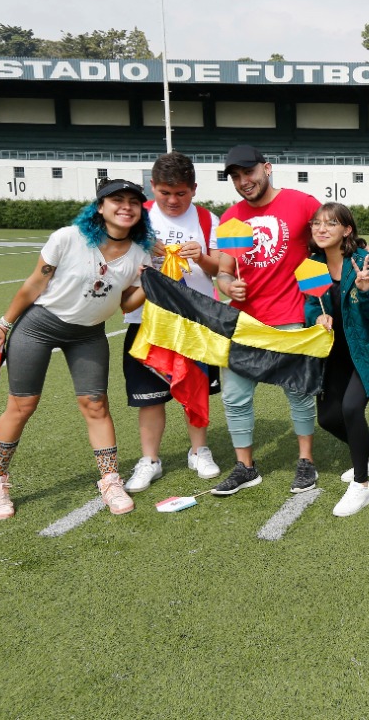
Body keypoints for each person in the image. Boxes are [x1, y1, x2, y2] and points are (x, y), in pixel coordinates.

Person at [212, 145, 369, 495]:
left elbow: (338, 230)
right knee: (234, 396)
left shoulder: (301, 203)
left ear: (267, 167)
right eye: (235, 176)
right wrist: (229, 285)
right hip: (244, 322)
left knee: (300, 393)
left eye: (249, 172)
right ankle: (245, 466)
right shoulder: (230, 216)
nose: (243, 181)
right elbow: (222, 271)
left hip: (294, 316)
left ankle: (306, 461)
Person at [0, 180, 153, 520]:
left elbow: (124, 303)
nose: (126, 207)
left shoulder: (141, 252)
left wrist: (149, 282)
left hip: (88, 334)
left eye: (134, 201)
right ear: (100, 207)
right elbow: (34, 284)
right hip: (39, 326)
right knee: (22, 405)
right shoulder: (67, 238)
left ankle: (110, 480)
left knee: (96, 404)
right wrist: (3, 324)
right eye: (117, 200)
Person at [120, 152, 224, 493]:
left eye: (181, 193)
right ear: (153, 187)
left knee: (196, 391)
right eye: (165, 192)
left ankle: (199, 451)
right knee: (150, 397)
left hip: (195, 321)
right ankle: (150, 459)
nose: (173, 200)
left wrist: (203, 258)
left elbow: (221, 271)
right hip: (146, 321)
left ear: (194, 189)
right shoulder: (138, 219)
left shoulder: (209, 220)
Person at [306, 202, 369, 517]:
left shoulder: (366, 262)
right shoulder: (312, 264)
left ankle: (361, 485)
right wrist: (317, 318)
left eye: (330, 223)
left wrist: (368, 290)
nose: (321, 229)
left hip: (367, 351)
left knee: (351, 407)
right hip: (334, 354)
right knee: (328, 418)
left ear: (346, 230)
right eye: (317, 223)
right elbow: (309, 307)